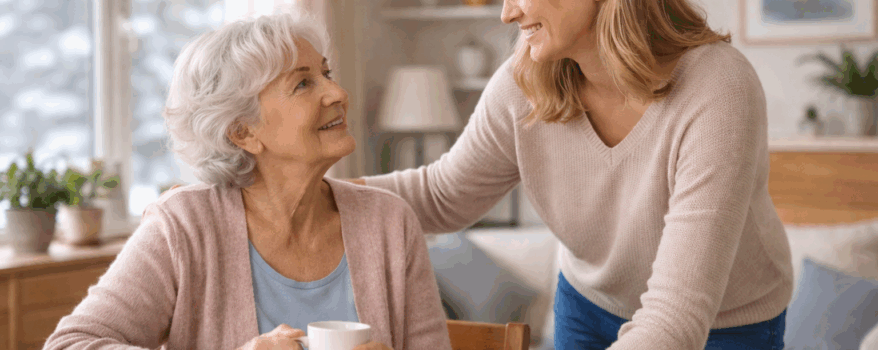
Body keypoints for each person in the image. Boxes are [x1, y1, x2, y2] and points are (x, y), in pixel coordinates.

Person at [351, 0, 792, 349]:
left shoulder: (717, 88)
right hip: (589, 305)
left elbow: (675, 318)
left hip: (725, 324)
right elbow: (440, 195)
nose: (507, 13)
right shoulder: (523, 81)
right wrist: (313, 193)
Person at [43, 8, 451, 350]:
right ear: (243, 132)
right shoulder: (185, 224)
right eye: (304, 83)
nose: (337, 93)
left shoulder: (390, 222)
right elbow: (71, 343)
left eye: (326, 73)